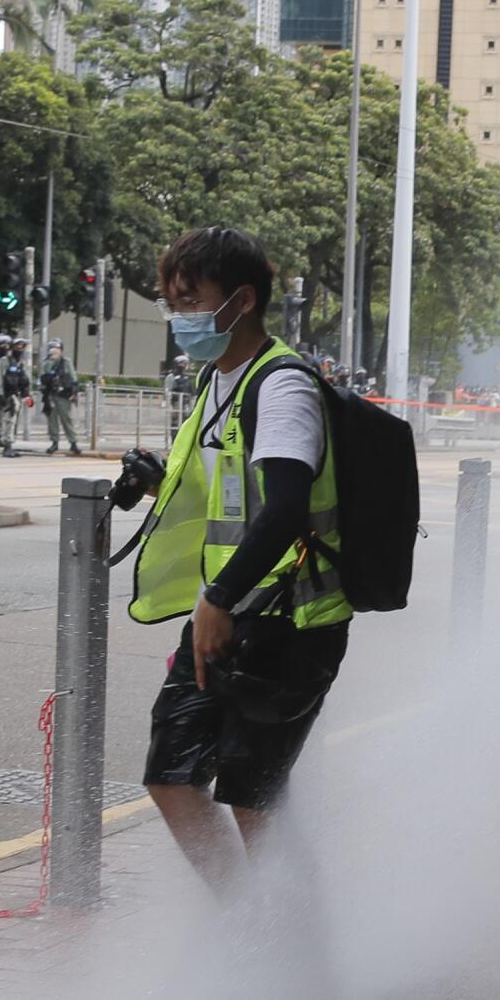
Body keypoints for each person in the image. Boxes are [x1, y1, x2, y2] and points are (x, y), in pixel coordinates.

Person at [124, 226, 352, 891]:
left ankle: (296, 952)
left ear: (242, 300)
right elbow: (225, 496)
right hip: (232, 613)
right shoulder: (217, 380)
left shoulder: (281, 387)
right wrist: (153, 480)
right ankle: (246, 924)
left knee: (254, 798)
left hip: (292, 620)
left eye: (191, 302)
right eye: (173, 303)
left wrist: (218, 598)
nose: (180, 318)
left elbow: (283, 508)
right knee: (171, 775)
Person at [39, 338, 82, 455]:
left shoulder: (66, 362)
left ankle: (73, 443)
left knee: (66, 419)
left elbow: (73, 378)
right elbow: (43, 377)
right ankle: (54, 442)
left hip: (64, 395)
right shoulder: (46, 362)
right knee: (52, 420)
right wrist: (51, 363)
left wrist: (74, 392)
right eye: (52, 348)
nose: (55, 351)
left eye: (57, 348)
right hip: (51, 394)